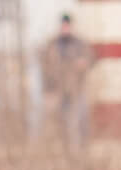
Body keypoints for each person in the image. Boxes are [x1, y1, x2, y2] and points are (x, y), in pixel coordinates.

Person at [39, 12, 93, 143]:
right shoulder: (52, 44)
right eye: (63, 25)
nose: (65, 28)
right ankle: (60, 150)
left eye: (67, 25)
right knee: (57, 123)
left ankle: (79, 150)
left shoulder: (80, 44)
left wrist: (83, 64)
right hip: (57, 90)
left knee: (78, 122)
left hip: (76, 89)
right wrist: (48, 87)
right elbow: (44, 65)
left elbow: (90, 59)